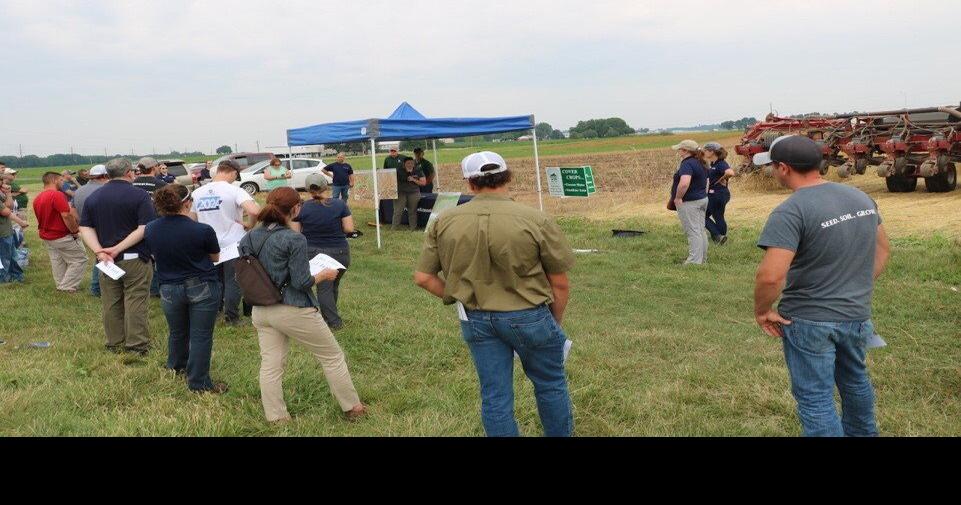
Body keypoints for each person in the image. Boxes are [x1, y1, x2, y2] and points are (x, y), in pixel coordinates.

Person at [414, 151, 576, 437]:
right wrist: (554, 321)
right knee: (550, 384)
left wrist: (460, 295)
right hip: (530, 315)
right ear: (507, 177)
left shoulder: (444, 221)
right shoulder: (536, 219)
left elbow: (424, 277)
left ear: (469, 183)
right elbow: (560, 284)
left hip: (476, 318)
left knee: (495, 396)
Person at [753, 135, 890, 437]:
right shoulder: (860, 198)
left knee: (815, 396)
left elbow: (770, 276)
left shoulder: (790, 211)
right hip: (856, 314)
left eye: (772, 166)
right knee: (855, 382)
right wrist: (854, 286)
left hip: (809, 319)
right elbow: (882, 250)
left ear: (784, 168)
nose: (772, 172)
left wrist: (763, 311)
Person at [240, 186, 366, 422]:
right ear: (296, 208)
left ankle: (276, 417)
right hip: (293, 308)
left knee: (271, 365)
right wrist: (324, 275)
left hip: (261, 309)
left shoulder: (249, 237)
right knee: (332, 357)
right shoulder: (295, 239)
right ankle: (353, 409)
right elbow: (301, 282)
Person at [145, 184, 227, 393]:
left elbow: (154, 254)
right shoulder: (202, 230)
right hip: (201, 284)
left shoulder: (151, 228)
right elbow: (215, 257)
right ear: (188, 203)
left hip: (168, 286)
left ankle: (176, 366)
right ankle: (199, 383)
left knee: (177, 331)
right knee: (200, 335)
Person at [78, 158, 156, 355]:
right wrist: (117, 248)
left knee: (111, 302)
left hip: (106, 260)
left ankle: (114, 341)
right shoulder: (140, 195)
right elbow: (144, 227)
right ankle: (137, 344)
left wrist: (99, 251)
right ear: (129, 172)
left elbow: (85, 227)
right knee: (136, 300)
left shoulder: (94, 197)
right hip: (134, 258)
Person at [189, 160, 261, 325]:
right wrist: (250, 225)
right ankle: (232, 316)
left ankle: (214, 311)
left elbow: (191, 219)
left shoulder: (197, 192)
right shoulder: (235, 190)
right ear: (234, 173)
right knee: (233, 280)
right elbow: (254, 210)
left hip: (208, 244)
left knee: (213, 280)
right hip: (233, 242)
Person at [290, 174, 353, 330]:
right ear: (326, 186)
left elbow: (296, 233)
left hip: (313, 251)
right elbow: (349, 228)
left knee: (324, 288)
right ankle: (332, 320)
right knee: (332, 286)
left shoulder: (301, 208)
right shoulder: (340, 204)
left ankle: (332, 320)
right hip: (339, 251)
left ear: (307, 189)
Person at [33, 171, 87, 293]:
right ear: (54, 180)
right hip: (61, 235)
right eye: (61, 180)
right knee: (79, 259)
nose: (63, 182)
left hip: (47, 236)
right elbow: (66, 215)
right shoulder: (57, 195)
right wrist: (74, 230)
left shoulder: (38, 197)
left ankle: (61, 284)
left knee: (57, 261)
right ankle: (67, 286)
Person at [669, 139, 709, 265]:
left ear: (685, 151)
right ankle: (702, 259)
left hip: (690, 202)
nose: (678, 152)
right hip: (702, 199)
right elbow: (707, 182)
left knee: (693, 232)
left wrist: (678, 198)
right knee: (700, 230)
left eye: (680, 149)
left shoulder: (687, 164)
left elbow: (684, 183)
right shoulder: (701, 162)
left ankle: (693, 262)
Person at [73, 164, 109, 297]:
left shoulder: (79, 190)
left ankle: (97, 287)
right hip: (101, 228)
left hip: (85, 229)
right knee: (102, 257)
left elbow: (72, 210)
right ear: (104, 176)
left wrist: (82, 223)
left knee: (98, 256)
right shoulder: (104, 190)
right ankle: (96, 287)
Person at [703, 142, 735, 244]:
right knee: (718, 216)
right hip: (718, 194)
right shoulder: (714, 164)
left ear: (712, 151)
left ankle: (718, 236)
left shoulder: (721, 163)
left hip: (718, 195)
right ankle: (721, 238)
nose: (704, 152)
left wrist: (722, 178)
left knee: (702, 216)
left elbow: (730, 172)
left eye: (705, 150)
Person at [0, 179, 29, 284]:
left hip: (6, 230)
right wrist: (21, 222)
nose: (3, 184)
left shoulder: (2, 194)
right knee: (5, 258)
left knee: (12, 256)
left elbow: (10, 206)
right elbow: (6, 211)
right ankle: (4, 280)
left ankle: (16, 276)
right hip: (2, 233)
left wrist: (8, 193)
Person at [392, 157, 426, 231]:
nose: (410, 165)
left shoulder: (418, 171)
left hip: (414, 193)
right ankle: (394, 228)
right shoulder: (398, 171)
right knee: (398, 211)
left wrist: (413, 179)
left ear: (414, 164)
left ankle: (413, 228)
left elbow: (423, 183)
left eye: (411, 163)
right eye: (408, 163)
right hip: (401, 193)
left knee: (412, 211)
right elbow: (390, 179)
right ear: (404, 164)